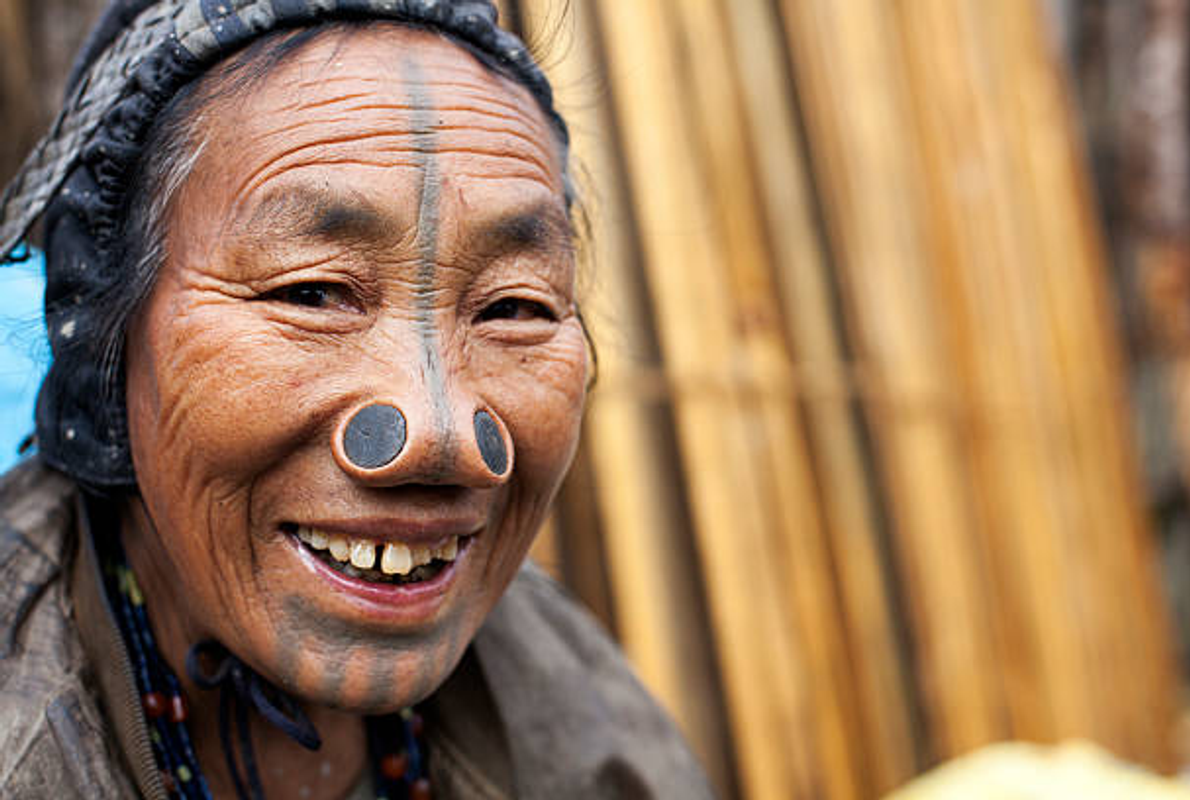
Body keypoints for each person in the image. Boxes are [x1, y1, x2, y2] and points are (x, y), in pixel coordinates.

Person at [0, 1, 713, 798]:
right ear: (101, 326)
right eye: (311, 291)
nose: (440, 434)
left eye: (513, 307)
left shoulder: (579, 709)